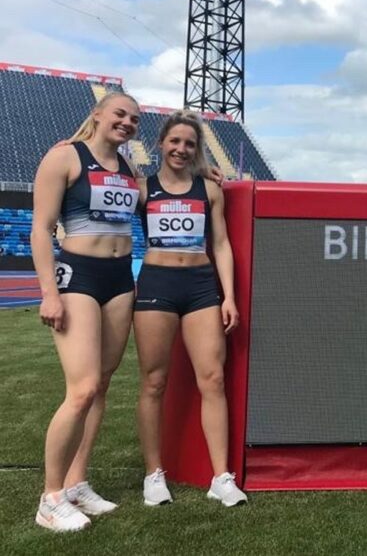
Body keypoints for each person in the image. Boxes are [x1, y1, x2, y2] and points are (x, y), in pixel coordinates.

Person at [30, 92, 142, 531]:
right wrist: (49, 292)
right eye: (120, 113)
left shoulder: (132, 169)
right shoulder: (64, 158)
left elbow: (160, 198)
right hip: (77, 275)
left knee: (101, 386)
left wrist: (201, 175)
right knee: (82, 388)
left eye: (134, 119)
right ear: (98, 114)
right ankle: (50, 497)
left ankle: (77, 483)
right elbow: (40, 229)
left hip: (119, 278)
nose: (127, 122)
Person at [134, 110, 247, 507]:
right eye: (175, 141)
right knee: (153, 382)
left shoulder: (209, 190)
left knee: (212, 379)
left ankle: (221, 477)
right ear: (161, 144)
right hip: (156, 287)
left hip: (200, 287)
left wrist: (228, 295)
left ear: (197, 150)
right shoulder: (141, 189)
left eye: (189, 144)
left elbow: (221, 245)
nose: (181, 149)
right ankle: (153, 474)